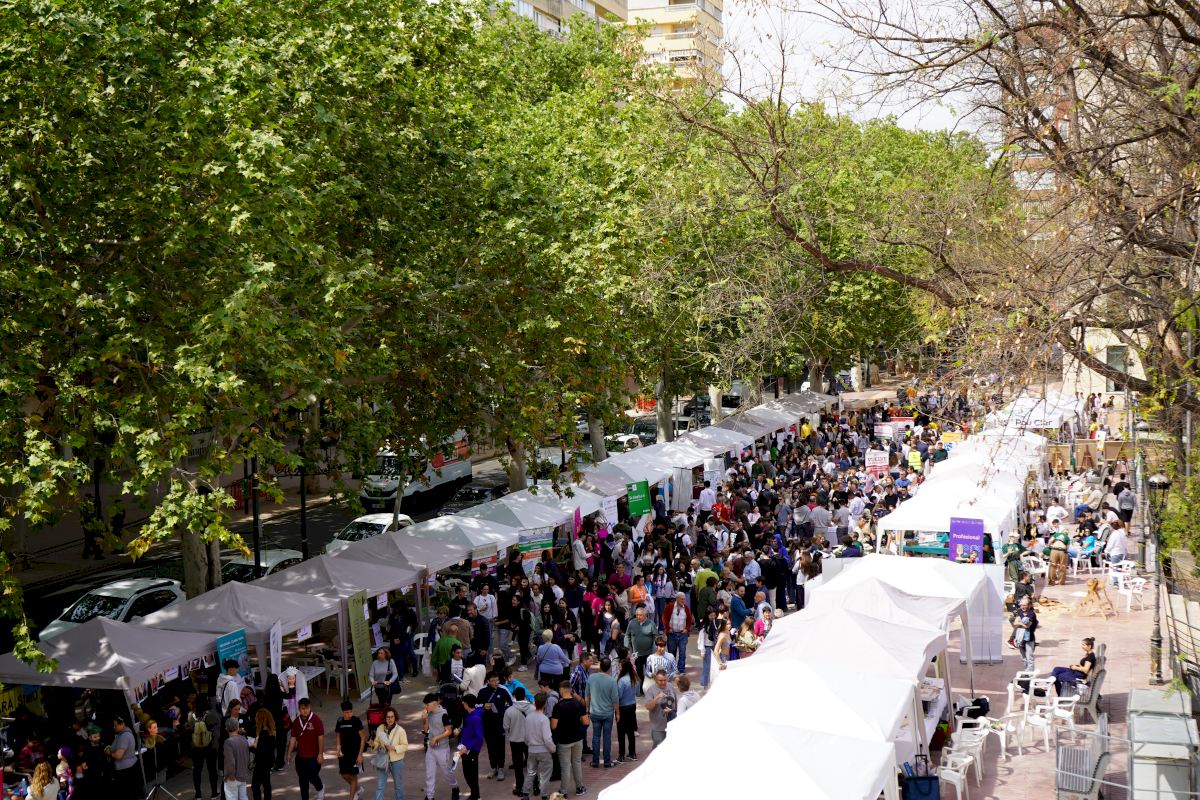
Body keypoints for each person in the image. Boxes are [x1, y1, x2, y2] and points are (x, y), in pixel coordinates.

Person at [550, 680, 588, 797]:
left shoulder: (558, 706)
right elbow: (586, 722)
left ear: (562, 690)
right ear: (570, 690)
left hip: (564, 740)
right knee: (577, 763)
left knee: (565, 766)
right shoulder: (578, 704)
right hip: (578, 739)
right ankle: (579, 787)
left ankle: (563, 791)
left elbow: (553, 726)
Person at [421, 693, 459, 800]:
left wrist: (436, 738)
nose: (425, 707)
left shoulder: (443, 715)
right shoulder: (429, 713)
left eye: (427, 705)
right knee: (429, 773)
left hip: (442, 749)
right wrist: (424, 719)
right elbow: (425, 730)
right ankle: (430, 796)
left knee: (446, 772)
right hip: (431, 748)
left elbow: (449, 731)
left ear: (434, 704)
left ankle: (455, 787)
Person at [287, 698, 325, 800]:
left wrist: (320, 753)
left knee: (312, 776)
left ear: (310, 707)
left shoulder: (316, 720)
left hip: (313, 756)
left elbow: (320, 737)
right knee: (303, 781)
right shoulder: (296, 722)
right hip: (300, 757)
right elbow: (293, 738)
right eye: (303, 708)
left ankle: (320, 788)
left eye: (307, 708)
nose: (305, 710)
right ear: (299, 709)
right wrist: (289, 753)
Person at [477, 672, 513, 781]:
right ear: (487, 681)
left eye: (497, 680)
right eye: (493, 681)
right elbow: (476, 705)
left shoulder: (503, 690)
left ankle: (501, 768)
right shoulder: (482, 691)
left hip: (500, 723)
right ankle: (493, 767)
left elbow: (511, 704)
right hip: (487, 723)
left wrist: (503, 711)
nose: (496, 682)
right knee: (490, 746)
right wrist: (484, 706)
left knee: (500, 746)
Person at [586, 656, 618, 768]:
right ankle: (607, 762)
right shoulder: (612, 681)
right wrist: (618, 713)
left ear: (600, 666)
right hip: (608, 713)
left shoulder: (591, 678)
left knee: (596, 736)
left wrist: (587, 709)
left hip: (595, 712)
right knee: (607, 737)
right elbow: (615, 700)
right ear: (609, 668)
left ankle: (595, 761)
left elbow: (587, 696)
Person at [524, 693, 556, 800]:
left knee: (530, 772)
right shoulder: (544, 719)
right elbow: (547, 738)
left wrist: (529, 744)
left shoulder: (528, 717)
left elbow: (526, 736)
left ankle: (525, 793)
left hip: (531, 749)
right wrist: (553, 748)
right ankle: (544, 795)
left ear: (535, 703)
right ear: (545, 704)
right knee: (545, 775)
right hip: (543, 750)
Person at [371, 707, 407, 800]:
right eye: (388, 717)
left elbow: (405, 746)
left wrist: (394, 748)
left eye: (392, 717)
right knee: (380, 785)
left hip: (396, 761)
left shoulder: (400, 730)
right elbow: (377, 742)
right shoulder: (380, 728)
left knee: (398, 785)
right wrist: (373, 745)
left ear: (395, 717)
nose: (390, 719)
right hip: (383, 759)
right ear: (384, 718)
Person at [333, 701, 365, 800]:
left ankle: (351, 798)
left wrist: (360, 755)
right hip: (343, 753)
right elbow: (338, 736)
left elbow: (363, 737)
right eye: (347, 712)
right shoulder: (340, 721)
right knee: (344, 774)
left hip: (354, 754)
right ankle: (358, 789)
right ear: (343, 712)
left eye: (351, 712)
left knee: (353, 776)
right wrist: (338, 749)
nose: (349, 714)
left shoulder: (356, 721)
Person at [504, 687, 532, 798]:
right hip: (529, 741)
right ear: (524, 696)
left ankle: (519, 788)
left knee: (518, 766)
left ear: (514, 696)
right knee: (532, 765)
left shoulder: (509, 711)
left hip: (515, 741)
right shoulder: (532, 709)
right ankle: (535, 786)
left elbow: (506, 727)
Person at [456, 695, 485, 800]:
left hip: (471, 750)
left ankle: (475, 796)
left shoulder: (474, 718)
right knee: (468, 773)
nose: (462, 703)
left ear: (466, 704)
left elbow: (479, 737)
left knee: (470, 774)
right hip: (466, 748)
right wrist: (461, 730)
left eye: (463, 702)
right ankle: (474, 794)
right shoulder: (472, 714)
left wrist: (467, 747)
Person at [622, 606, 657, 692]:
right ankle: (641, 689)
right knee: (638, 672)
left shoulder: (651, 624)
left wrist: (654, 651)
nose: (638, 617)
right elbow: (627, 635)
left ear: (645, 615)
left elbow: (655, 638)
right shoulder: (632, 623)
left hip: (648, 653)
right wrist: (626, 647)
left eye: (640, 615)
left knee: (649, 672)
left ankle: (650, 689)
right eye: (637, 615)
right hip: (636, 654)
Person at [108, 716, 143, 799]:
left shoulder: (125, 736)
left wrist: (109, 753)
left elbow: (118, 756)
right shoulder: (122, 734)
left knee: (128, 793)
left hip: (126, 770)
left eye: (115, 725)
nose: (114, 727)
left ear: (122, 724)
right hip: (128, 767)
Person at [660, 592, 693, 673]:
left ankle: (681, 669)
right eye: (682, 599)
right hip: (672, 634)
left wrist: (687, 629)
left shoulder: (686, 608)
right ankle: (672, 669)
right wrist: (667, 628)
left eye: (684, 599)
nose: (683, 601)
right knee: (671, 653)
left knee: (682, 653)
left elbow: (689, 619)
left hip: (682, 634)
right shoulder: (670, 606)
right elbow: (664, 617)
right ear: (677, 599)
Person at [644, 670, 676, 750]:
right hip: (658, 727)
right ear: (656, 679)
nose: (663, 682)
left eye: (665, 680)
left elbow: (675, 704)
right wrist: (656, 698)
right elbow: (648, 707)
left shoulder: (670, 686)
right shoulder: (651, 690)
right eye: (660, 680)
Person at [614, 660, 638, 763]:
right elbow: (637, 692)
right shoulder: (634, 678)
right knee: (631, 731)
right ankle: (632, 753)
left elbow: (618, 696)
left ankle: (621, 755)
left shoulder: (621, 680)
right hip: (632, 706)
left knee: (621, 732)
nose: (618, 668)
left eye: (620, 667)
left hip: (622, 708)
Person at [224, 717, 251, 800]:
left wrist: (230, 775)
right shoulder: (244, 739)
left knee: (232, 797)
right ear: (238, 727)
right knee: (244, 797)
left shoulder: (228, 742)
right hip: (242, 774)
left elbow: (230, 761)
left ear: (226, 729)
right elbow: (247, 757)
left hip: (233, 777)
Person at [251, 709, 276, 800]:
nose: (255, 718)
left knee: (255, 785)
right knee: (266, 784)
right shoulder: (271, 732)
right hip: (268, 762)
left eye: (256, 717)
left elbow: (261, 751)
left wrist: (253, 747)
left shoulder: (263, 734)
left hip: (261, 763)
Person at [1011, 595, 1039, 671]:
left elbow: (1027, 626)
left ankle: (1030, 674)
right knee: (1023, 658)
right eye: (1021, 605)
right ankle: (1026, 672)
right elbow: (1015, 623)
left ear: (1029, 606)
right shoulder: (1019, 611)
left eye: (1024, 605)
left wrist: (1020, 622)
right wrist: (1022, 623)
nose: (1022, 607)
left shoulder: (1031, 614)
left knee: (1029, 657)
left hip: (1029, 639)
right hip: (1020, 639)